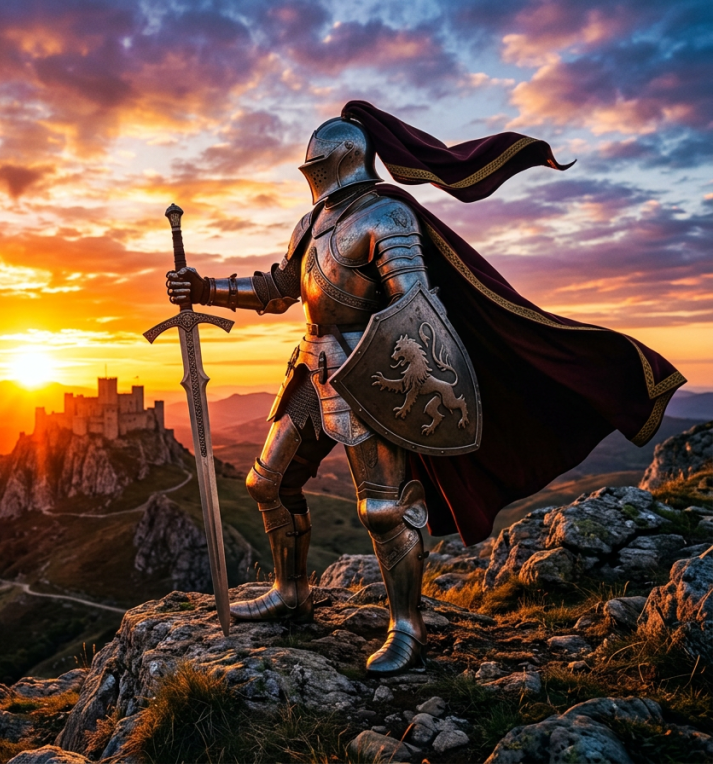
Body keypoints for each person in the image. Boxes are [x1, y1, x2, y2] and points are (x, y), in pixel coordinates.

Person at [166, 101, 685, 676]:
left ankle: (406, 627)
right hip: (311, 365)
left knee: (385, 510)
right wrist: (204, 286)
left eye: (313, 166)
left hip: (372, 374)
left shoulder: (386, 217)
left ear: (336, 162)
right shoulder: (312, 224)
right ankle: (291, 591)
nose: (309, 177)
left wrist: (409, 382)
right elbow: (279, 288)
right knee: (267, 482)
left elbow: (416, 310)